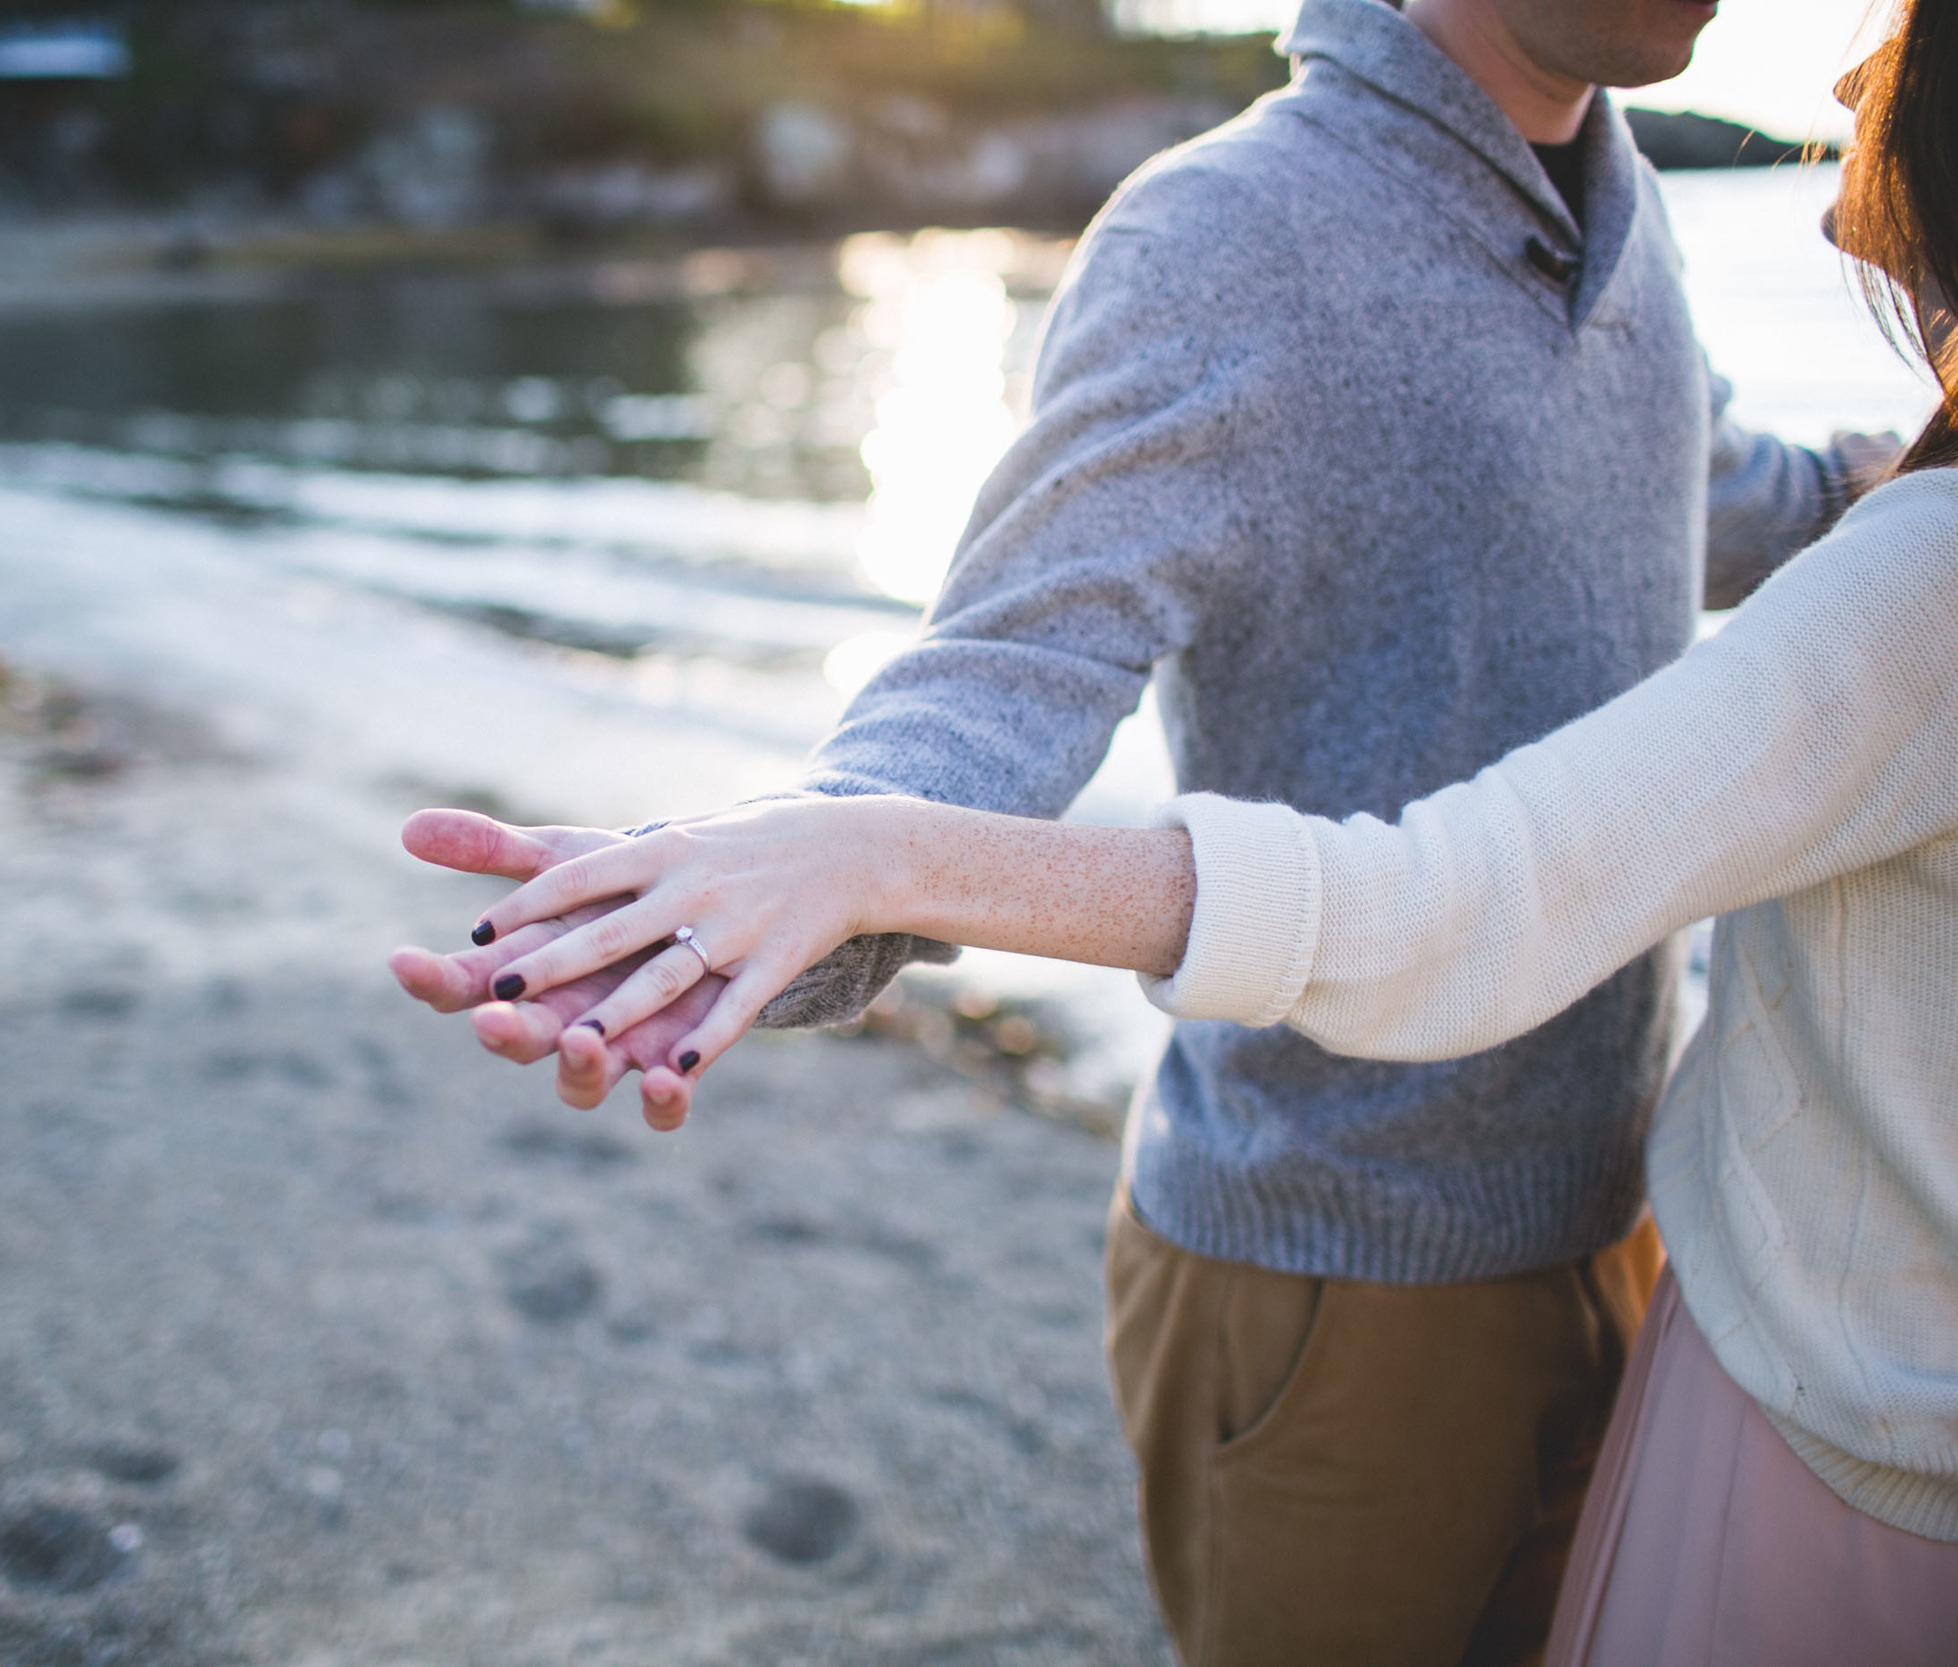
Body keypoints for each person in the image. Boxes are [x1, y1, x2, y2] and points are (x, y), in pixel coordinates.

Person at [394, 4, 1958, 1660]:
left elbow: (1722, 491)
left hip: (1623, 1224)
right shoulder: (1232, 231)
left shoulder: (1608, 203)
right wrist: (807, 881)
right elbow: (1015, 656)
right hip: (1337, 1270)